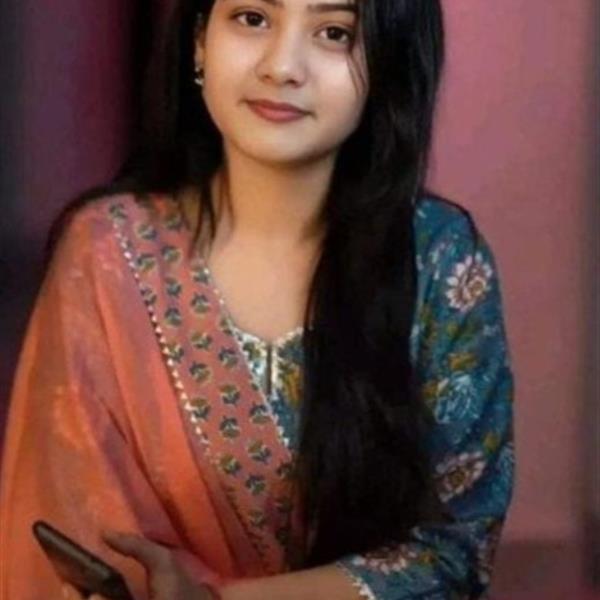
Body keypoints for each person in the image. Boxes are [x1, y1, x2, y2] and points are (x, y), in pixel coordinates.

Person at [0, 0, 515, 598]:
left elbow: (454, 555)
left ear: (388, 62)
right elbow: (65, 534)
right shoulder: (107, 251)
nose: (281, 66)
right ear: (200, 41)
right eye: (251, 18)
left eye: (334, 32)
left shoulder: (441, 260)